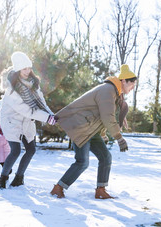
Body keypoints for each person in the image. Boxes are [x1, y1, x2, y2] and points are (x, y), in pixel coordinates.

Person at [50, 64, 137, 199]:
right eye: (132, 84)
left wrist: (103, 134)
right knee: (82, 162)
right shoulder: (107, 90)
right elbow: (107, 116)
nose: (132, 88)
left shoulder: (114, 93)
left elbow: (100, 116)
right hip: (80, 127)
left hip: (90, 130)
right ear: (124, 81)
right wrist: (118, 137)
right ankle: (58, 188)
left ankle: (100, 190)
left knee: (105, 157)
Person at [0, 51, 57, 189]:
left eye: (29, 67)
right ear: (17, 69)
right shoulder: (11, 89)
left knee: (31, 150)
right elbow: (25, 110)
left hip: (26, 121)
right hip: (11, 121)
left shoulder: (33, 83)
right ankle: (3, 177)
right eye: (24, 68)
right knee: (16, 150)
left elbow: (41, 101)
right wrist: (46, 118)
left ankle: (19, 178)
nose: (28, 71)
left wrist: (51, 115)